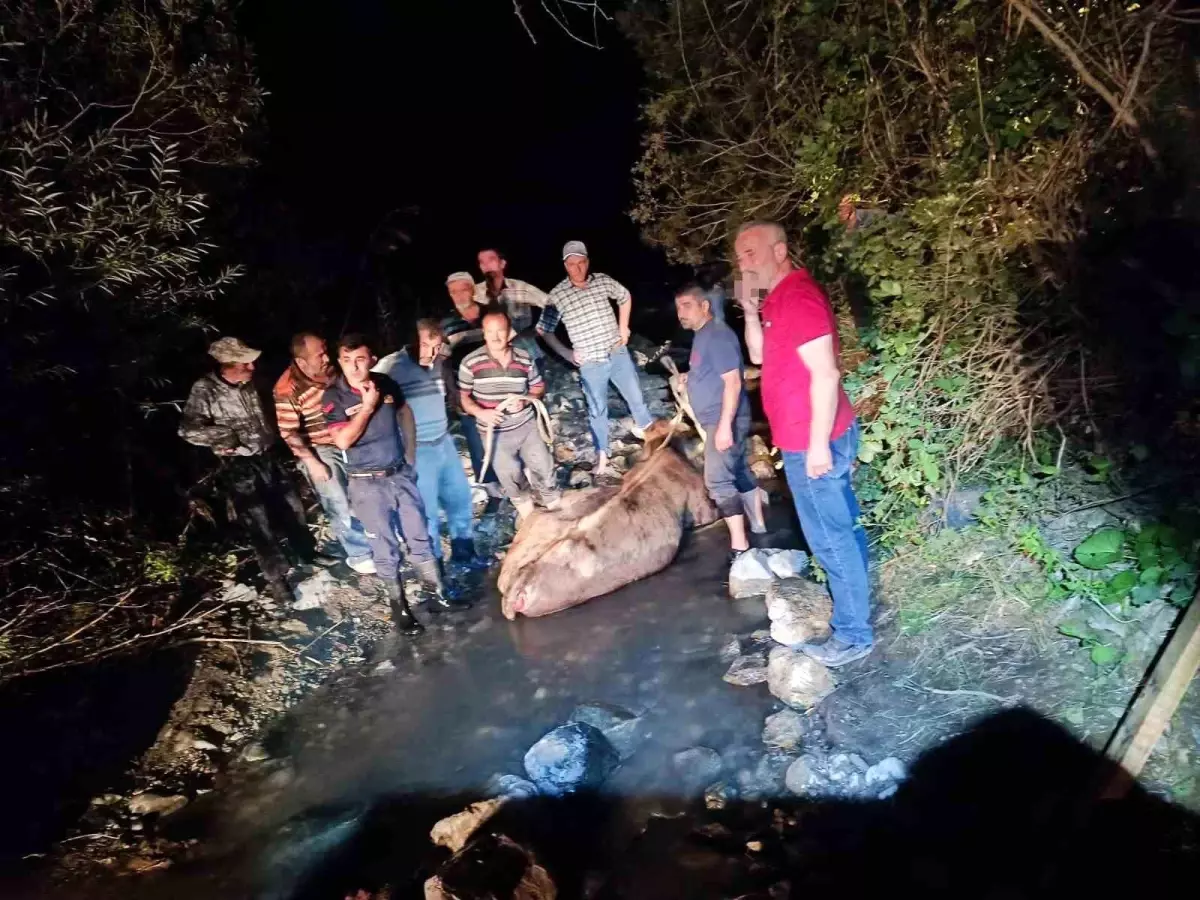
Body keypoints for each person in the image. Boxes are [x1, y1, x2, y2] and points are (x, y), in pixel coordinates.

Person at [734, 221, 871, 668]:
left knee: (830, 539)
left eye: (750, 253)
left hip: (815, 439)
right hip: (810, 436)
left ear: (780, 250)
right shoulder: (775, 300)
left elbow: (827, 374)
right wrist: (750, 310)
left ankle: (853, 635)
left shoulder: (798, 297)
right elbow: (758, 356)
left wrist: (815, 447)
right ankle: (860, 600)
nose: (743, 263)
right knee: (842, 526)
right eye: (739, 257)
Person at [324, 334, 466, 636]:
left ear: (371, 359)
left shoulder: (384, 382)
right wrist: (367, 406)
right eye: (347, 361)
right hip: (367, 484)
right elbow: (342, 440)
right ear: (339, 362)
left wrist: (411, 454)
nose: (354, 366)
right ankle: (400, 609)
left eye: (360, 359)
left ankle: (439, 592)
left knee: (419, 534)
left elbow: (404, 412)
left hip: (400, 474)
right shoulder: (333, 396)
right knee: (384, 546)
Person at [180, 337, 316, 604]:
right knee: (258, 522)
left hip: (267, 455)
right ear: (228, 365)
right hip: (239, 464)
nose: (252, 368)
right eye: (246, 364)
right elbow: (187, 430)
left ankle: (307, 552)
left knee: (292, 505)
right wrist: (223, 436)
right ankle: (277, 580)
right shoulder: (205, 389)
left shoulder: (251, 382)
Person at [373, 320, 489, 573]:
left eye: (437, 347)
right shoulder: (390, 367)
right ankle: (436, 571)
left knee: (460, 500)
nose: (432, 353)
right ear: (413, 341)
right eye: (427, 345)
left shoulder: (437, 362)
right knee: (427, 514)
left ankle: (465, 554)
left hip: (443, 441)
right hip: (417, 449)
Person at [537, 240, 655, 474]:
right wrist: (566, 353)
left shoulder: (602, 280)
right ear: (565, 265)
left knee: (636, 398)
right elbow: (544, 329)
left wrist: (623, 327)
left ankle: (653, 442)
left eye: (581, 262)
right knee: (597, 410)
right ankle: (603, 456)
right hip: (591, 364)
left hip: (617, 352)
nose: (577, 268)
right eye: (572, 264)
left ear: (587, 262)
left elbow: (624, 296)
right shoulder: (557, 295)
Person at [674, 284, 765, 563]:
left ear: (705, 306)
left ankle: (740, 548)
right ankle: (759, 527)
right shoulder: (703, 336)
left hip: (723, 418)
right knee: (738, 470)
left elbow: (734, 382)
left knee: (717, 481)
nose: (681, 313)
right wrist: (692, 376)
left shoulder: (718, 336)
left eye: (687, 306)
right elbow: (714, 370)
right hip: (721, 417)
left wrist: (724, 425)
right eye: (678, 308)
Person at [274, 333, 376, 576]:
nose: (327, 358)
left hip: (352, 437)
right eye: (319, 355)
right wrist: (311, 462)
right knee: (338, 501)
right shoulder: (287, 388)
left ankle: (377, 537)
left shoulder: (332, 370)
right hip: (322, 448)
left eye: (325, 351)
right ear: (301, 361)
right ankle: (359, 553)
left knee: (366, 493)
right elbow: (288, 431)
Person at [459, 309, 562, 520]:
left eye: (501, 331)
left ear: (509, 332)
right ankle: (530, 521)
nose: (496, 337)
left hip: (526, 426)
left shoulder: (524, 358)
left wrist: (526, 399)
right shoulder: (470, 362)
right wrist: (481, 412)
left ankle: (558, 515)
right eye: (490, 332)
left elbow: (538, 387)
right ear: (483, 333)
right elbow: (464, 398)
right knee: (511, 476)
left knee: (544, 467)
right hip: (494, 433)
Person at [442, 272, 501, 493]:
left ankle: (515, 479)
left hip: (497, 386)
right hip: (466, 391)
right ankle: (491, 487)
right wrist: (453, 393)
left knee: (506, 432)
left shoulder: (490, 314)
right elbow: (444, 362)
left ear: (473, 290)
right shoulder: (446, 323)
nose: (458, 295)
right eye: (453, 291)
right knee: (476, 441)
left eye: (463, 289)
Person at [475, 247, 548, 371]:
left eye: (491, 260)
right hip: (492, 360)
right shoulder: (476, 292)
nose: (486, 265)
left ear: (502, 263)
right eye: (482, 262)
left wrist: (540, 328)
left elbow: (551, 304)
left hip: (526, 353)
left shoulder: (520, 288)